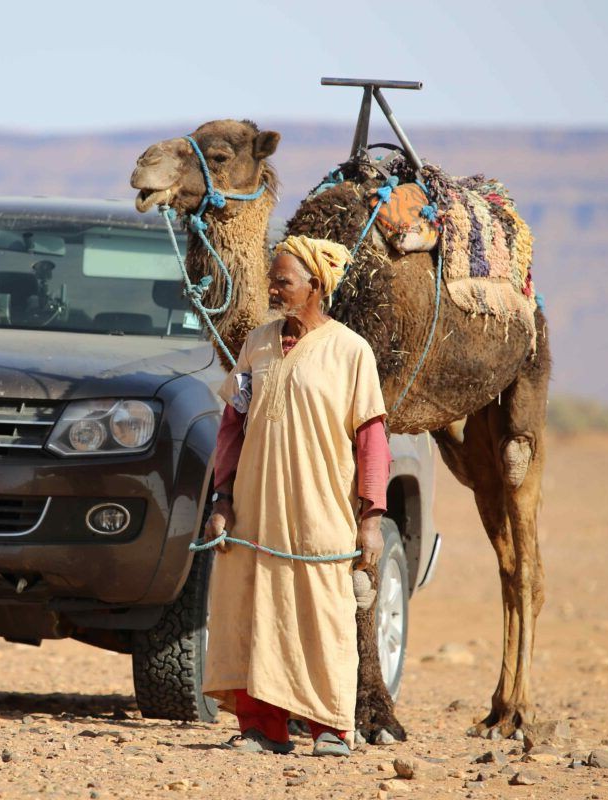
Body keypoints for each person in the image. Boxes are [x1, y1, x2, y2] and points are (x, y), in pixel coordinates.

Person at [202, 235, 391, 757]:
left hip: (320, 512)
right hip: (255, 509)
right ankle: (261, 728)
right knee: (253, 609)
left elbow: (372, 440)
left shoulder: (351, 351)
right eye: (273, 278)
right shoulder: (257, 344)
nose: (273, 288)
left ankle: (330, 727)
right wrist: (222, 498)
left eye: (283, 280)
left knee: (320, 613)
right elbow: (232, 424)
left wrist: (371, 516)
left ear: (316, 286)